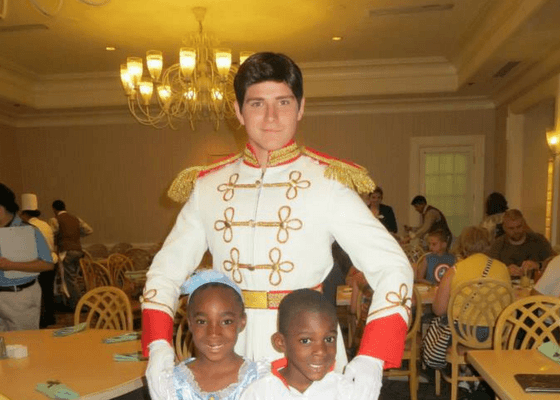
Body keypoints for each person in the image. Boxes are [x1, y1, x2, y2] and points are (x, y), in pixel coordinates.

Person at [142, 52, 413, 400]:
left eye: (283, 102)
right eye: (257, 103)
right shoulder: (207, 187)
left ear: (301, 107)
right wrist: (159, 347)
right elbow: (164, 273)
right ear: (238, 112)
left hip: (307, 355)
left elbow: (393, 267)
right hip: (226, 354)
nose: (271, 117)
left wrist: (373, 355)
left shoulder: (328, 181)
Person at [240, 289, 370, 400]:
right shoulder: (260, 393)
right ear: (280, 342)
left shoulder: (345, 391)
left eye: (329, 339)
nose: (321, 351)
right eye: (306, 341)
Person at [422, 226, 511, 369]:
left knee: (440, 321)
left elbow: (438, 309)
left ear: (463, 246)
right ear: (489, 243)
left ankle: (458, 370)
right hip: (496, 332)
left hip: (465, 333)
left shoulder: (455, 270)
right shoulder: (503, 268)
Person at [169, 270, 266, 400]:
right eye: (202, 322)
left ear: (242, 322)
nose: (213, 333)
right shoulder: (173, 382)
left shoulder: (259, 381)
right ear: (190, 324)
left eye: (226, 322)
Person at [0, 183, 54, 331]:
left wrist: (11, 265)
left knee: (25, 346)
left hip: (20, 296)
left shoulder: (28, 230)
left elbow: (48, 264)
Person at [20, 193, 58, 328]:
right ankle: (50, 317)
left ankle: (41, 321)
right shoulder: (46, 224)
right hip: (52, 261)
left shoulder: (26, 227)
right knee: (48, 292)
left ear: (24, 214)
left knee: (38, 294)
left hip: (39, 263)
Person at [49, 199, 93, 309]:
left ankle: (79, 305)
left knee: (69, 279)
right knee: (73, 278)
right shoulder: (75, 219)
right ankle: (73, 302)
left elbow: (50, 234)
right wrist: (76, 236)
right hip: (78, 250)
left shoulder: (55, 220)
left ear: (54, 209)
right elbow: (89, 230)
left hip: (66, 251)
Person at [488, 209, 553, 278]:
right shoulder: (498, 244)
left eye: (519, 227)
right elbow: (490, 270)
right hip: (507, 286)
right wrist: (505, 270)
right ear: (504, 228)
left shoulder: (539, 240)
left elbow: (554, 263)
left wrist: (538, 265)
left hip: (536, 285)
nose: (516, 231)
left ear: (524, 224)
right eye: (511, 228)